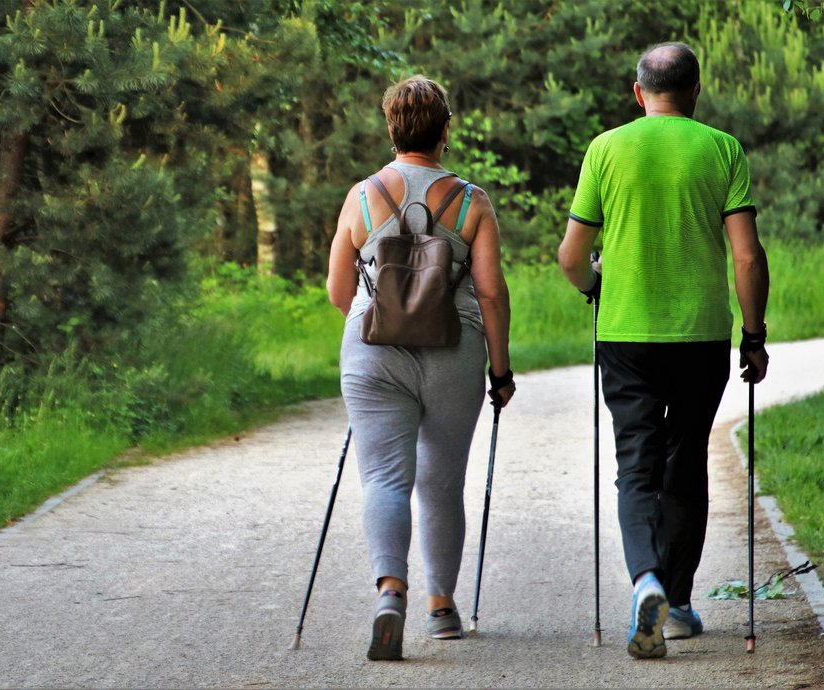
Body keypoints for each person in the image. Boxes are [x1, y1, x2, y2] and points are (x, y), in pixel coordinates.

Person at [558, 42, 770, 660]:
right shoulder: (722, 149)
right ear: (696, 90)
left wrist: (594, 286)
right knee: (686, 462)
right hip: (701, 335)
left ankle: (644, 579)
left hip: (625, 334)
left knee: (636, 463)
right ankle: (675, 604)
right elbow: (748, 257)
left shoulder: (606, 149)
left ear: (637, 92)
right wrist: (753, 336)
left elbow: (571, 256)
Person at [326, 75, 515, 661]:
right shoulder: (472, 201)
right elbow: (491, 295)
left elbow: (337, 290)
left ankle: (390, 593)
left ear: (391, 129)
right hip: (453, 351)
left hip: (372, 352)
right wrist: (500, 371)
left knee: (384, 477)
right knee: (440, 482)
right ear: (446, 130)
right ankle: (441, 608)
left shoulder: (360, 197)